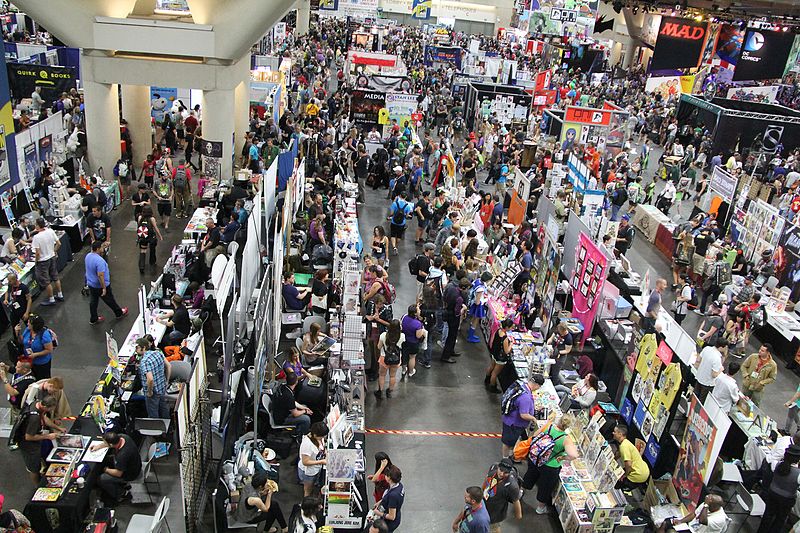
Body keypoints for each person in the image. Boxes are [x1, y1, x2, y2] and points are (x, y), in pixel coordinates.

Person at [521, 414, 578, 514]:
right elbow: (573, 455)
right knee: (545, 486)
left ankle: (520, 492)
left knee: (530, 475)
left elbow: (535, 435)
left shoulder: (549, 426)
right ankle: (540, 508)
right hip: (550, 466)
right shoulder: (565, 439)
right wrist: (563, 457)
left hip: (536, 458)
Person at [90, 432, 142, 504]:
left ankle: (122, 494)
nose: (104, 443)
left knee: (102, 478)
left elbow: (118, 473)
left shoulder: (122, 455)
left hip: (131, 474)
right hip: (133, 464)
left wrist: (106, 470)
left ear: (111, 445)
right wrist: (98, 447)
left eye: (105, 443)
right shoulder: (123, 437)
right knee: (107, 459)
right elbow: (108, 443)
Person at [757, 445, 800, 533]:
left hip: (772, 493)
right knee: (779, 521)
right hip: (787, 500)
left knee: (767, 516)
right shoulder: (798, 474)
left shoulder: (777, 464)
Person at [85, 240, 129, 325]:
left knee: (93, 302)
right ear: (97, 249)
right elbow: (100, 275)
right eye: (101, 247)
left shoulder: (88, 256)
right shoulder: (99, 261)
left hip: (91, 284)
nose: (103, 248)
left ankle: (93, 318)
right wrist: (104, 288)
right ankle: (119, 313)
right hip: (100, 286)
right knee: (109, 300)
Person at [19, 395, 60, 483]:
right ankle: (37, 486)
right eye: (50, 409)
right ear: (45, 406)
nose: (51, 411)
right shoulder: (34, 418)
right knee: (34, 467)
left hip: (37, 437)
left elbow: (45, 419)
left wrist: (58, 428)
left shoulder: (37, 404)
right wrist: (48, 436)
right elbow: (28, 437)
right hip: (28, 445)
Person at [500, 374, 543, 458]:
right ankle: (505, 458)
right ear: (537, 385)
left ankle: (510, 454)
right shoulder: (525, 397)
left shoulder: (523, 386)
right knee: (507, 443)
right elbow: (523, 415)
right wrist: (533, 418)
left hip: (511, 420)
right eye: (539, 386)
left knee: (510, 441)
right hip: (513, 424)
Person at [482, 459, 522, 533]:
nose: (502, 474)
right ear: (498, 467)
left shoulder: (512, 486)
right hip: (485, 504)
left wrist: (518, 515)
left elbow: (516, 501)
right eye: (501, 470)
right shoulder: (493, 467)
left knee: (494, 527)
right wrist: (482, 492)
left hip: (496, 512)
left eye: (506, 473)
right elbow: (487, 478)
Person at [31, 218, 63, 306]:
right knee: (55, 276)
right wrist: (54, 251)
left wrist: (36, 262)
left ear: (37, 225)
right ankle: (60, 294)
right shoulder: (50, 231)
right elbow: (59, 243)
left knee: (46, 281)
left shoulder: (36, 237)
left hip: (43, 261)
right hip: (52, 257)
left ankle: (51, 299)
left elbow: (37, 253)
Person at [137, 338, 171, 418]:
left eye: (137, 347)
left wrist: (149, 392)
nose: (136, 350)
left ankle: (157, 429)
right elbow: (168, 366)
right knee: (164, 409)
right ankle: (167, 427)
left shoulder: (144, 362)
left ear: (144, 348)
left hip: (153, 392)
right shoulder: (157, 353)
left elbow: (150, 379)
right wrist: (166, 381)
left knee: (153, 414)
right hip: (162, 387)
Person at [657, 494, 726, 533]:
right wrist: (681, 521)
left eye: (707, 504)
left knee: (671, 532)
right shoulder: (707, 505)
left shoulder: (719, 518)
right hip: (690, 526)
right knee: (666, 522)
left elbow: (702, 520)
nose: (705, 503)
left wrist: (706, 505)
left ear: (713, 506)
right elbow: (694, 514)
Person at [612, 424, 650, 491]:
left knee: (617, 483)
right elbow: (618, 454)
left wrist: (625, 475)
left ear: (620, 434)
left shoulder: (624, 446)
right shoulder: (625, 443)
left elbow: (628, 464)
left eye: (615, 432)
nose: (613, 433)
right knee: (620, 472)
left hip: (638, 474)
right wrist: (612, 460)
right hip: (643, 469)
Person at [16, 315, 55, 380]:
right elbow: (22, 341)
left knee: (42, 379)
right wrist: (18, 333)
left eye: (29, 323)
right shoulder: (28, 329)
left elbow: (49, 350)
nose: (27, 324)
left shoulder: (45, 335)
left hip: (41, 363)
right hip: (29, 361)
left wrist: (35, 354)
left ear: (35, 325)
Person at [298, 421, 328, 497]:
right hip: (308, 471)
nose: (323, 438)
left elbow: (322, 447)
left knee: (314, 483)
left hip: (316, 468)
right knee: (308, 489)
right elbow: (305, 462)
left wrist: (325, 453)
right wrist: (322, 461)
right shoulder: (307, 445)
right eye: (322, 436)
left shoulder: (319, 438)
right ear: (315, 435)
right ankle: (306, 504)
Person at [376, 319, 404, 399]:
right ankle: (389, 392)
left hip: (384, 358)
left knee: (382, 375)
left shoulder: (383, 335)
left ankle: (380, 392)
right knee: (392, 376)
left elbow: (378, 347)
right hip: (396, 358)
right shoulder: (402, 336)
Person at [0, 360, 35, 424]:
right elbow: (11, 369)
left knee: (17, 423)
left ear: (24, 370)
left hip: (19, 408)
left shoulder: (28, 381)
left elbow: (12, 393)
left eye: (18, 367)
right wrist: (4, 366)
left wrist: (4, 379)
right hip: (14, 403)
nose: (15, 367)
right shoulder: (20, 372)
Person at [693, 338, 726, 402]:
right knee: (701, 402)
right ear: (722, 347)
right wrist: (721, 370)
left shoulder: (707, 348)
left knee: (694, 397)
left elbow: (698, 360)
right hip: (707, 383)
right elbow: (714, 374)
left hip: (699, 377)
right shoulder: (717, 358)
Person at [485, 318, 513, 394]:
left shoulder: (498, 331)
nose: (511, 328)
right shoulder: (505, 338)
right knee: (495, 373)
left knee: (491, 366)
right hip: (500, 358)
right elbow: (506, 351)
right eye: (511, 327)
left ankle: (487, 379)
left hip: (494, 353)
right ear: (507, 327)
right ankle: (492, 386)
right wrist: (511, 344)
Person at [373, 465, 404, 532]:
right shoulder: (399, 485)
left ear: (389, 478)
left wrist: (378, 513)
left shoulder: (393, 496)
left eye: (386, 475)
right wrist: (380, 501)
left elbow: (391, 517)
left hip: (389, 524)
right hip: (396, 513)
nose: (384, 476)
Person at [400, 304, 425, 379]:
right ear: (415, 313)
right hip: (413, 343)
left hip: (404, 341)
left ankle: (403, 370)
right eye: (418, 310)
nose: (419, 311)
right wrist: (423, 333)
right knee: (412, 357)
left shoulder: (404, 317)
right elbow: (418, 336)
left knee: (404, 355)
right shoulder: (418, 324)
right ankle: (411, 372)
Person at [136, 206, 162, 273]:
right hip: (151, 237)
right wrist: (160, 236)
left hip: (143, 236)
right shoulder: (152, 219)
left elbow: (138, 226)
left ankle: (142, 266)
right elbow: (155, 228)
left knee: (143, 250)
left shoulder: (140, 217)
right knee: (152, 250)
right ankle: (152, 264)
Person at [387, 191, 413, 255]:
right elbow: (407, 216)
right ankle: (396, 244)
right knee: (399, 236)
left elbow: (391, 213)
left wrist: (390, 216)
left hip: (394, 222)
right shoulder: (407, 206)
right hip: (402, 223)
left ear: (400, 196)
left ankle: (394, 247)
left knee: (393, 235)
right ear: (406, 197)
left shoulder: (395, 203)